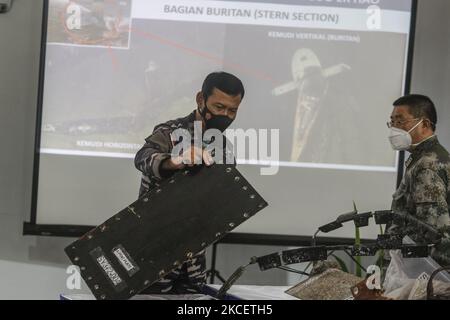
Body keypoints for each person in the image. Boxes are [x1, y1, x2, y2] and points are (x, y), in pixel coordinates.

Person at [134, 71, 245, 294]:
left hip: (193, 262)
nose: (225, 115)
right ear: (200, 100)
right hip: (154, 255)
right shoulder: (170, 132)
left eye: (232, 110)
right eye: (218, 107)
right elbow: (143, 158)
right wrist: (174, 161)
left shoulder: (223, 148)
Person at [387, 94, 450, 266]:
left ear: (425, 124)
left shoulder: (427, 165)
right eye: (392, 122)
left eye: (400, 121)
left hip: (428, 275)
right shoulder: (426, 157)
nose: (394, 128)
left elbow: (432, 230)